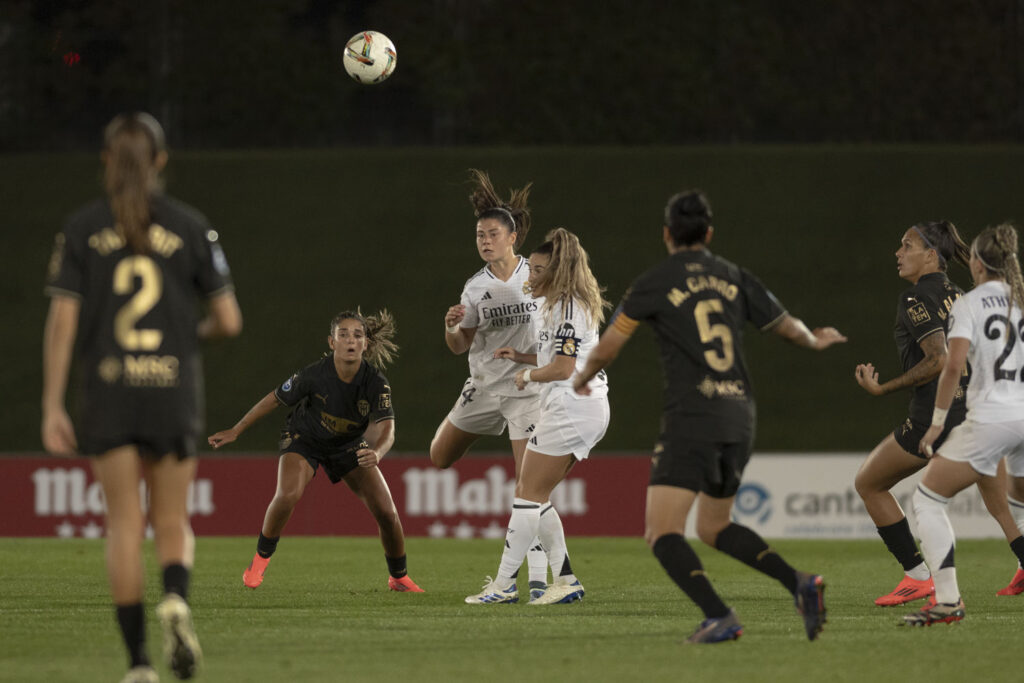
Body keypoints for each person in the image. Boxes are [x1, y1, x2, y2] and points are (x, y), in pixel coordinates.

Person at [572, 190, 845, 643]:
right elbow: (787, 326)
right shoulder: (734, 276)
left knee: (661, 532)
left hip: (692, 416)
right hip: (739, 416)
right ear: (709, 234)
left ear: (666, 234)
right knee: (714, 526)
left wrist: (584, 375)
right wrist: (815, 341)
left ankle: (720, 615)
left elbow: (609, 345)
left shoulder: (653, 281)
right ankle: (798, 582)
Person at [42, 112, 242, 683]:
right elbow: (228, 319)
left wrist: (52, 404)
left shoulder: (82, 229)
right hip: (171, 389)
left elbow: (62, 321)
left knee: (124, 525)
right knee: (172, 518)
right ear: (160, 160)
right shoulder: (190, 225)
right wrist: (190, 335)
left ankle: (136, 664)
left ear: (106, 160)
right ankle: (175, 599)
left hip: (109, 392)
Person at [853, 221, 1023, 605]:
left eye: (907, 245)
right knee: (1002, 509)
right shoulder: (964, 296)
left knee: (869, 483)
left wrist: (883, 387)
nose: (899, 252)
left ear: (931, 255)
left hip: (935, 414)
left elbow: (938, 360)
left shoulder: (914, 298)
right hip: (981, 415)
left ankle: (919, 577)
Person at [207, 310, 423, 593]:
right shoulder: (314, 375)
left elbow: (387, 429)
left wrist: (378, 452)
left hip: (347, 445)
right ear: (332, 342)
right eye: (343, 334)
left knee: (387, 512)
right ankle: (259, 561)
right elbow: (274, 399)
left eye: (357, 335)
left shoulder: (376, 382)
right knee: (288, 495)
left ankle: (399, 578)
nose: (350, 340)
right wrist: (236, 429)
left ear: (365, 344)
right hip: (305, 438)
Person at [465, 228, 610, 605]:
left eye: (538, 269)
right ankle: (566, 581)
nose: (530, 275)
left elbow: (562, 369)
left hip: (571, 405)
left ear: (557, 273)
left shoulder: (566, 308)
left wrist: (527, 375)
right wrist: (523, 358)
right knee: (537, 496)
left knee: (526, 494)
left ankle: (504, 585)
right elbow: (557, 359)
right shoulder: (561, 305)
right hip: (580, 406)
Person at [430, 169, 549, 599]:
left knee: (528, 485)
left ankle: (535, 581)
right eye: (480, 234)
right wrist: (450, 327)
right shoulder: (474, 289)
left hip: (524, 390)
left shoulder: (534, 278)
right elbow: (460, 346)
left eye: (492, 233)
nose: (484, 240)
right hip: (483, 387)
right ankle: (530, 580)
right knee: (439, 457)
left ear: (512, 236)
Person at [906, 224, 1024, 625]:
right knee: (1019, 505)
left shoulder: (969, 304)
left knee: (927, 499)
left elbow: (952, 365)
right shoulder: (1020, 300)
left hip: (992, 418)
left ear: (976, 263)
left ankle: (949, 600)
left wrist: (937, 424)